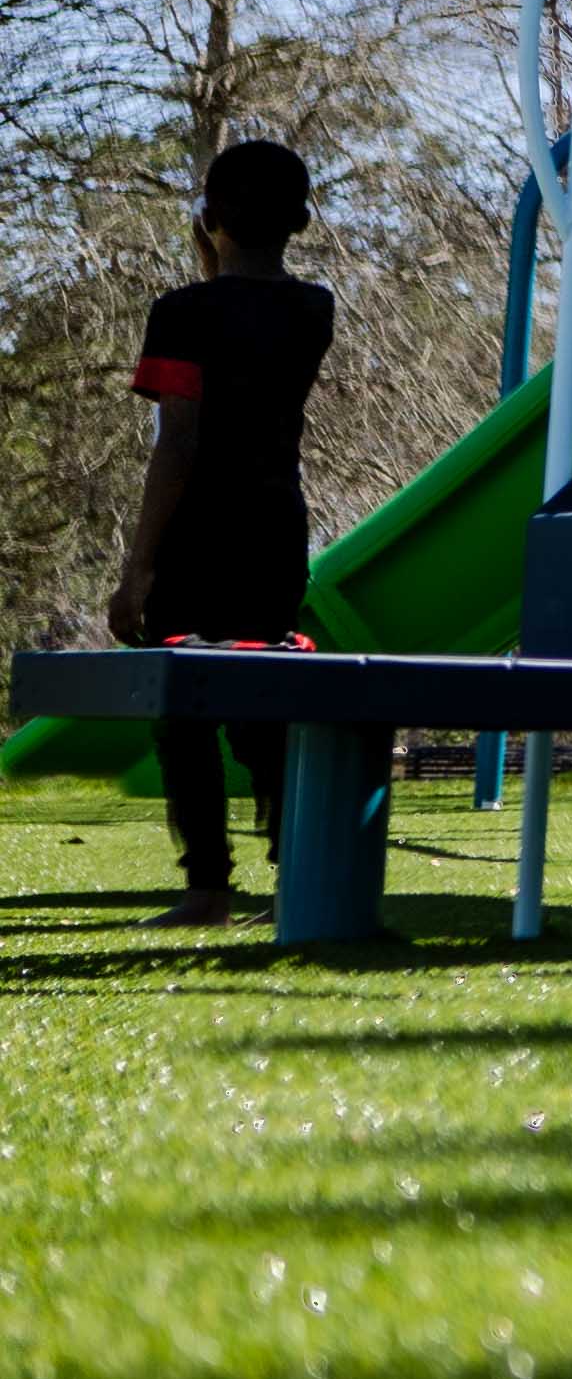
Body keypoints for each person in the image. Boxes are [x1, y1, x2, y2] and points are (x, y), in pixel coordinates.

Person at [108, 140, 336, 926]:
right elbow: (249, 316)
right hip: (276, 527)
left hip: (199, 532)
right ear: (301, 221)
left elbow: (179, 441)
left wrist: (138, 567)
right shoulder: (314, 309)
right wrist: (219, 261)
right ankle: (297, 875)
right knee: (264, 698)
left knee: (185, 705)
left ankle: (206, 887)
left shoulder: (179, 315)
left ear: (210, 217)